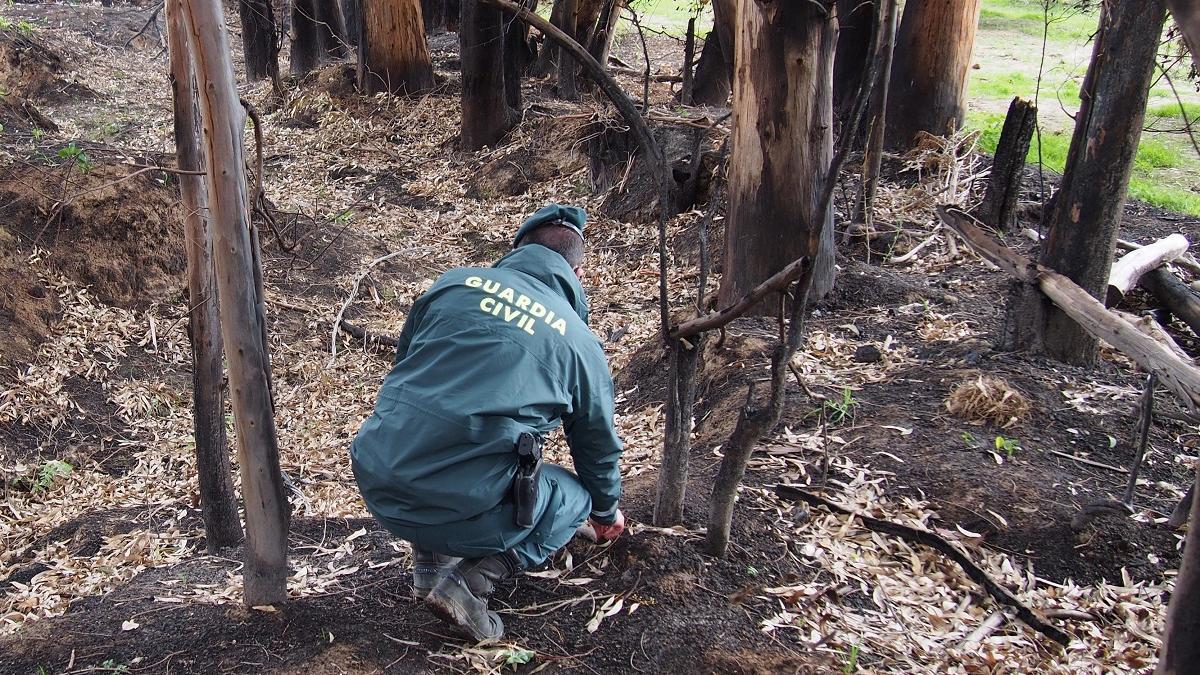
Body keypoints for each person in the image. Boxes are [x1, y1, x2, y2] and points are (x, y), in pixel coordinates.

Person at [350, 204, 626, 641]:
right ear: (576, 272)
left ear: (517, 249)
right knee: (574, 495)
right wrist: (607, 510)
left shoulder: (452, 284)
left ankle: (428, 565)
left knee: (437, 429)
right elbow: (597, 444)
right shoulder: (578, 342)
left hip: (379, 481)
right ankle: (469, 582)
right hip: (460, 503)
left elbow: (406, 369)